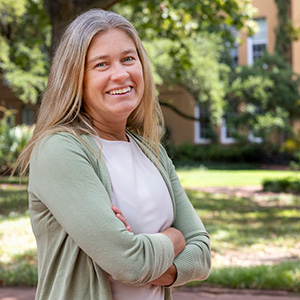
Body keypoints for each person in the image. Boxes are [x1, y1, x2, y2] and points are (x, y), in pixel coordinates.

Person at [15, 9, 211, 300]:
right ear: (75, 78)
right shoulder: (59, 149)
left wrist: (159, 267)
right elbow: (129, 263)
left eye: (128, 59)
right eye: (101, 64)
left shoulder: (151, 151)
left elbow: (202, 254)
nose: (120, 74)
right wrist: (174, 237)